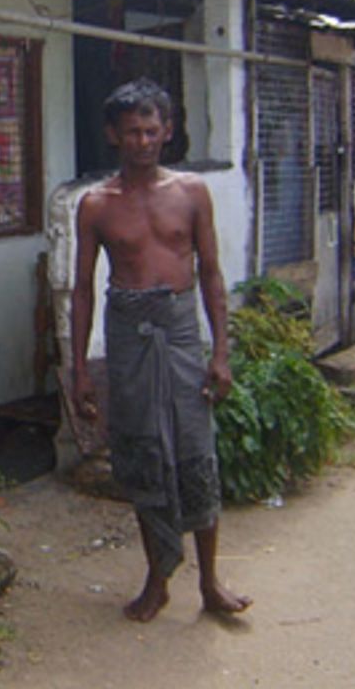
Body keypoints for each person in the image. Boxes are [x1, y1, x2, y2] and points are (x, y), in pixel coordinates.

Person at [71, 78, 251, 623]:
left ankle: (211, 582)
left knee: (196, 451)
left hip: (179, 332)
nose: (143, 142)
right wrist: (79, 370)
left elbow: (213, 275)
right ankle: (157, 579)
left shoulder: (192, 192)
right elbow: (82, 289)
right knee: (142, 451)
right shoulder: (96, 205)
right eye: (132, 132)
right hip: (129, 335)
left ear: (168, 132)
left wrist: (220, 353)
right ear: (114, 135)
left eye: (152, 131)